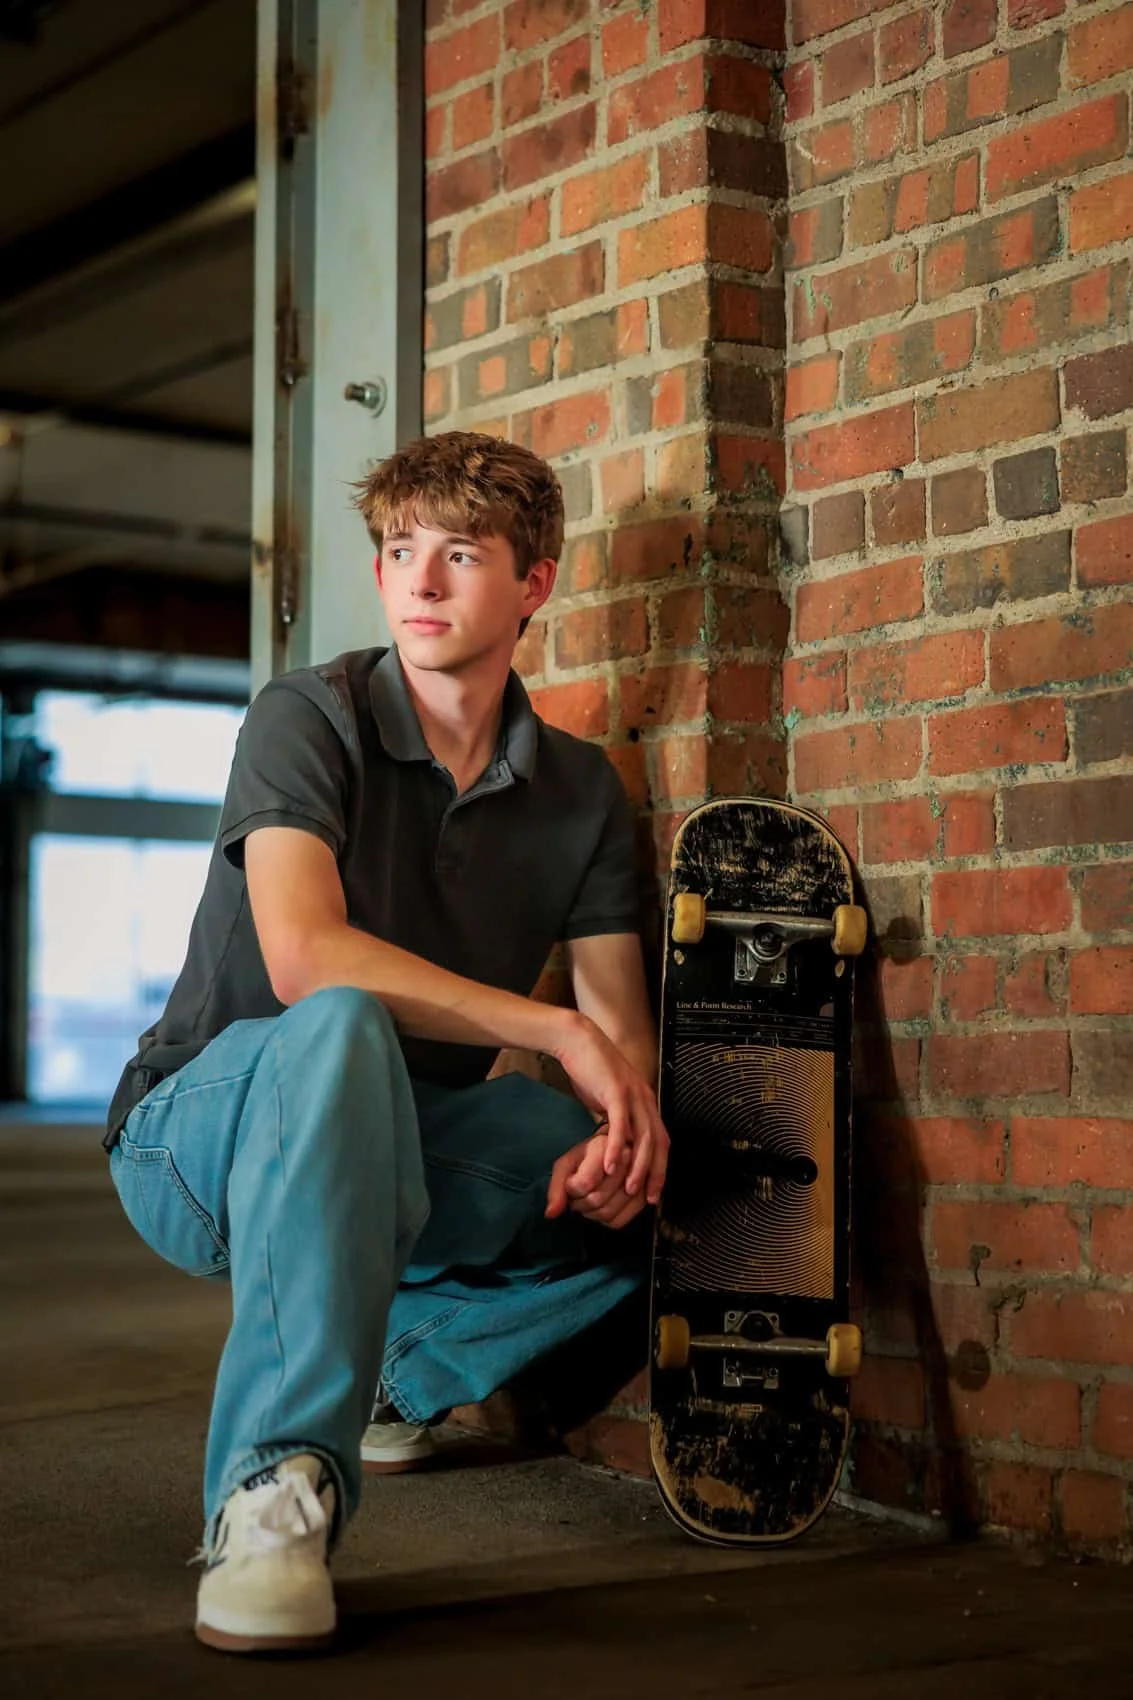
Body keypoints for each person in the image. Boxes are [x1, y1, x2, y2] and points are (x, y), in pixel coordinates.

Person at [104, 430, 670, 1655]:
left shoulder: (579, 792)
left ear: (532, 585)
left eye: (457, 555)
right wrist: (549, 1024)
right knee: (342, 1024)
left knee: (666, 1190)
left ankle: (386, 1370)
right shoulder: (307, 715)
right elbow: (309, 959)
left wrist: (627, 1132)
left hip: (406, 1149)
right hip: (202, 1136)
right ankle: (270, 1493)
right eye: (398, 550)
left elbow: (618, 1043)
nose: (416, 581)